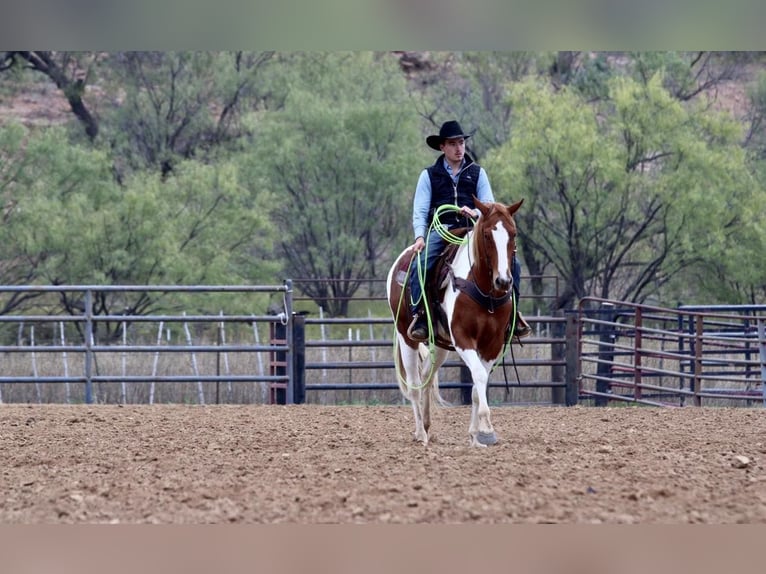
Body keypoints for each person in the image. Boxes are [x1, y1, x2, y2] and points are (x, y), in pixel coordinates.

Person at [408, 120, 531, 341]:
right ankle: (421, 316)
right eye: (453, 143)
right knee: (421, 263)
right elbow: (420, 210)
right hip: (443, 229)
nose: (459, 148)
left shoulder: (476, 173)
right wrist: (419, 236)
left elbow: (490, 207)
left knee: (515, 264)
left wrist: (475, 212)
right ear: (442, 147)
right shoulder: (428, 176)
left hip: (472, 231)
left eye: (461, 143)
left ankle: (513, 316)